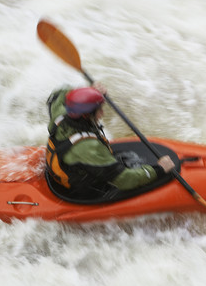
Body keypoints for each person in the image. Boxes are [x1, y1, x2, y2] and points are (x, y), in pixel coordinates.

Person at [45, 83, 175, 199]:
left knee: (127, 158)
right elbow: (125, 180)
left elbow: (59, 93)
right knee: (129, 178)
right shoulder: (88, 147)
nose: (102, 114)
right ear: (85, 115)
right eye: (98, 110)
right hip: (83, 188)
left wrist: (90, 92)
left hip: (71, 166)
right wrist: (159, 169)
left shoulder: (60, 113)